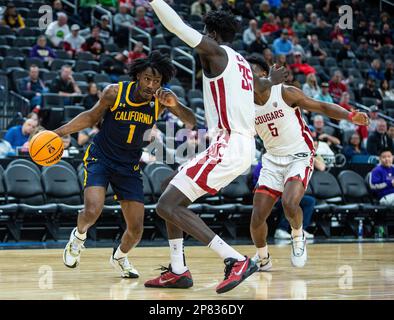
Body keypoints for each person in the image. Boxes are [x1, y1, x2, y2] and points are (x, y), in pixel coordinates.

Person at [144, 1, 287, 294]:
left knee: (166, 206)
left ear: (210, 33)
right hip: (240, 145)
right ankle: (178, 271)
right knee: (171, 188)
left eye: (204, 32)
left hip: (229, 142)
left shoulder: (216, 52)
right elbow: (262, 88)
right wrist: (271, 79)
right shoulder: (243, 64)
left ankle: (234, 259)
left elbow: (178, 28)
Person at [54, 51, 196, 279]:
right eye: (147, 79)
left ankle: (119, 257)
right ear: (138, 76)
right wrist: (58, 132)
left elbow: (192, 121)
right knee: (92, 210)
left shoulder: (159, 102)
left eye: (156, 81)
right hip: (101, 157)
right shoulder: (115, 93)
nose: (151, 85)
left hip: (129, 165)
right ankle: (78, 238)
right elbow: (91, 117)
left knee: (136, 229)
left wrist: (175, 105)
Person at [248, 55, 369, 270]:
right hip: (272, 159)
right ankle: (263, 258)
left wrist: (350, 116)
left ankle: (297, 235)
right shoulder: (245, 104)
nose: (249, 76)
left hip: (299, 154)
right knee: (257, 217)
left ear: (265, 75)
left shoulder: (285, 92)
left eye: (253, 71)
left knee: (289, 202)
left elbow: (321, 107)